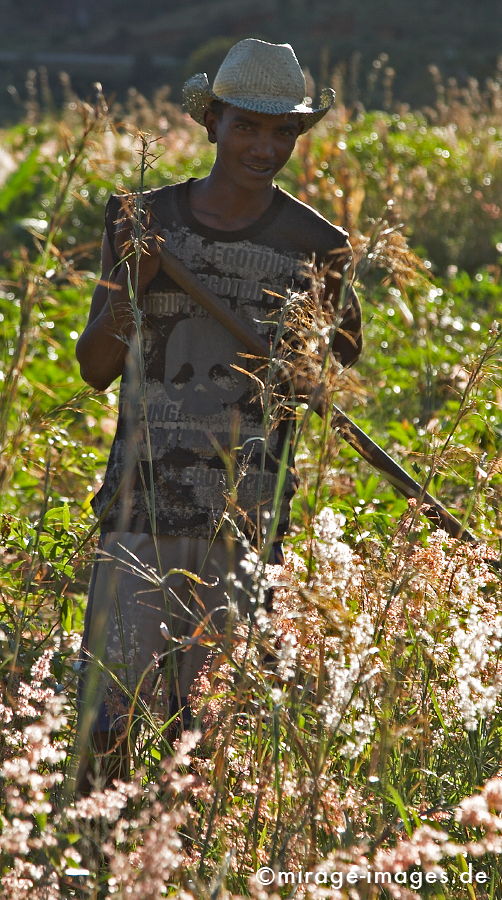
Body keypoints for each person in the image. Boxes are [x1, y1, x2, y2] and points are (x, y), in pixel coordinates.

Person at [74, 38, 362, 792]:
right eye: (247, 127)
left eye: (282, 132)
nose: (264, 147)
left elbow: (335, 373)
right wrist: (130, 288)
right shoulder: (141, 220)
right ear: (211, 122)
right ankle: (96, 857)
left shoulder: (319, 247)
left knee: (204, 736)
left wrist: (299, 363)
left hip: (246, 513)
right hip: (140, 507)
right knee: (107, 721)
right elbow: (94, 368)